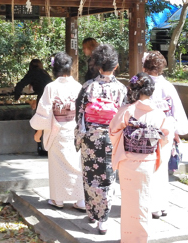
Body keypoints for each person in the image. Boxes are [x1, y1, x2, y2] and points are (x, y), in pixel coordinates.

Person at [109, 72, 171, 243]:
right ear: (151, 91)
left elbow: (113, 132)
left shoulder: (127, 110)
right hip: (148, 161)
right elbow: (165, 137)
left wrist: (127, 138)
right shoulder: (159, 113)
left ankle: (129, 239)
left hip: (128, 161)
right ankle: (142, 238)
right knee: (144, 200)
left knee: (129, 202)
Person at [74, 44, 127, 235]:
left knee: (89, 176)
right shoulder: (121, 89)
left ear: (97, 66)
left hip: (90, 137)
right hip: (111, 137)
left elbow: (79, 114)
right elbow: (124, 116)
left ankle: (92, 212)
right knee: (108, 178)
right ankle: (103, 219)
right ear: (116, 66)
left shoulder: (88, 86)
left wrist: (80, 137)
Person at [29, 52, 85, 211]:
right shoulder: (78, 86)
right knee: (77, 165)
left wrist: (39, 132)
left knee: (57, 166)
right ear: (70, 67)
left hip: (57, 131)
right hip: (74, 130)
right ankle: (81, 200)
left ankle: (58, 199)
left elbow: (44, 113)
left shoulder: (51, 87)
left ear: (54, 69)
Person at [142, 51, 188, 219]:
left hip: (146, 130)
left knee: (149, 167)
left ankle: (153, 205)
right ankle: (162, 204)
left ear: (145, 67)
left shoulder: (142, 85)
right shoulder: (168, 86)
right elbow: (176, 112)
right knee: (161, 166)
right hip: (166, 131)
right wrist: (177, 132)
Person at [14, 59, 52, 156]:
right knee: (50, 120)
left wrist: (16, 96)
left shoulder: (32, 73)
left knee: (40, 119)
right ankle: (49, 146)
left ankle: (40, 146)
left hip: (42, 97)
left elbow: (20, 84)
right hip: (51, 96)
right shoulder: (44, 73)